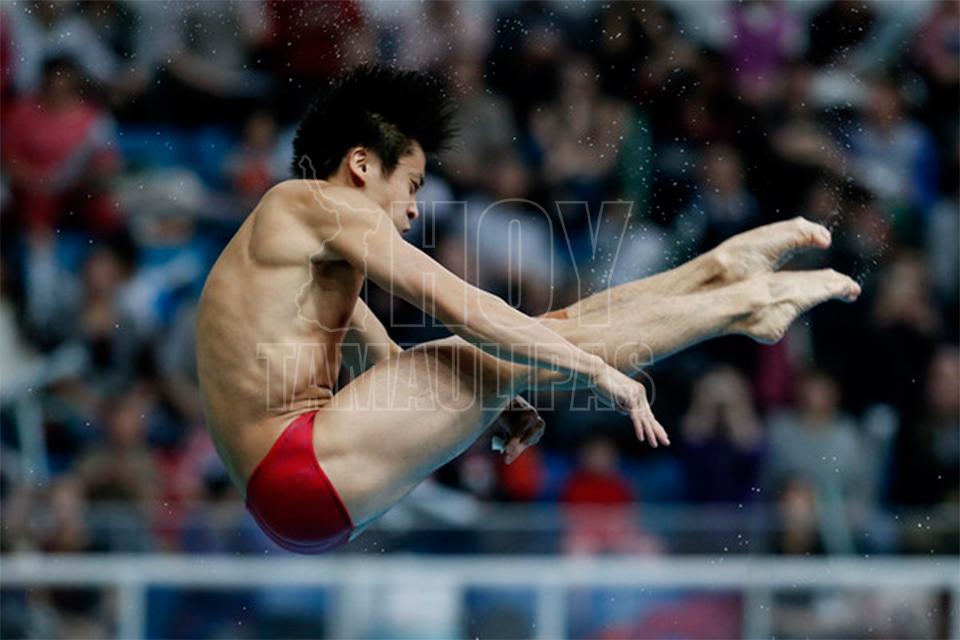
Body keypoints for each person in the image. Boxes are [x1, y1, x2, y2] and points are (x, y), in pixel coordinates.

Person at [196, 65, 861, 553]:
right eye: (413, 185)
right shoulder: (314, 203)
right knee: (507, 348)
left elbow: (373, 346)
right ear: (363, 165)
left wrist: (480, 400)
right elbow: (460, 306)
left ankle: (716, 276)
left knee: (517, 351)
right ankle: (735, 304)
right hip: (302, 465)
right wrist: (590, 370)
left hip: (296, 484)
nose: (415, 209)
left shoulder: (296, 240)